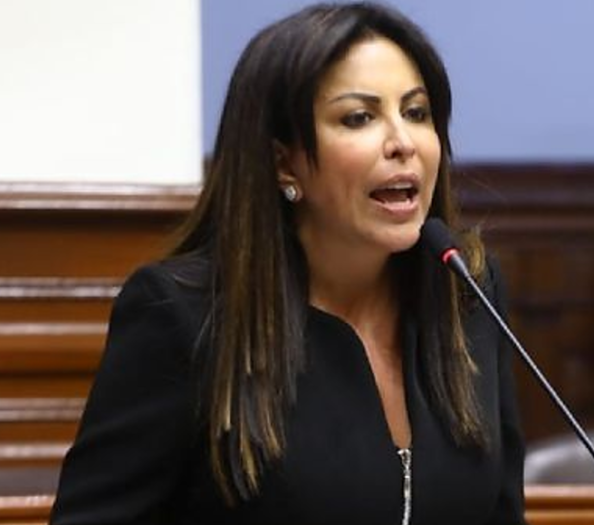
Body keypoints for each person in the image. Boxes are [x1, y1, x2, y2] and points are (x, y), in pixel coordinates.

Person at [49, 3, 526, 524]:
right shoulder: (184, 315)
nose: (403, 142)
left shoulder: (467, 294)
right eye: (359, 117)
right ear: (283, 162)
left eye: (416, 112)